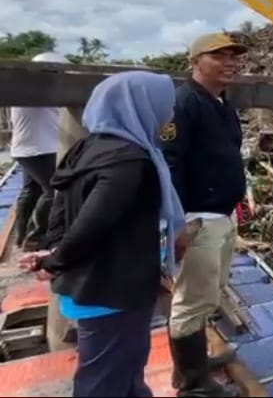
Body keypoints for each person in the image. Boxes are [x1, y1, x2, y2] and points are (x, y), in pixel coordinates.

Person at [19, 71, 188, 397]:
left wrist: (52, 252)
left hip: (88, 284)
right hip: (111, 290)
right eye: (165, 106)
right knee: (104, 380)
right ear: (142, 106)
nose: (169, 114)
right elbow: (95, 221)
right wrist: (56, 260)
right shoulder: (130, 160)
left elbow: (59, 204)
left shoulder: (87, 146)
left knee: (125, 370)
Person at [161, 33, 248, 397]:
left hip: (221, 215)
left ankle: (194, 364)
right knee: (191, 299)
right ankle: (192, 382)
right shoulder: (184, 104)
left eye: (233, 57)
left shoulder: (220, 104)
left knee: (207, 295)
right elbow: (171, 162)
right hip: (197, 218)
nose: (230, 63)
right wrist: (177, 224)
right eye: (219, 56)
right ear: (195, 61)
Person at [11, 51, 68, 250]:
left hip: (25, 148)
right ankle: (36, 237)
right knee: (54, 191)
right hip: (41, 148)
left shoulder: (24, 89)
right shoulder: (41, 90)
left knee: (30, 191)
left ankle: (22, 235)